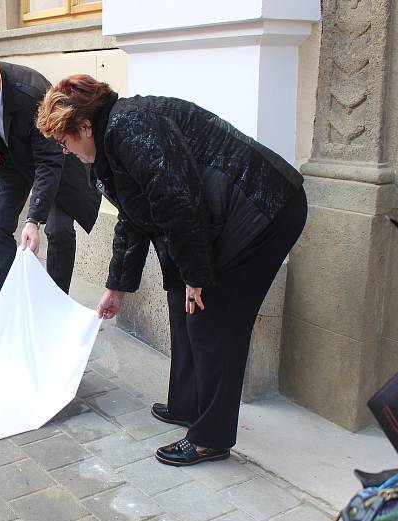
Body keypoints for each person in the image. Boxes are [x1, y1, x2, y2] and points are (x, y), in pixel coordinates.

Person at [35, 74, 308, 466]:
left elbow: (178, 203)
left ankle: (209, 438)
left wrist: (197, 276)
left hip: (263, 209)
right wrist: (117, 287)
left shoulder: (131, 127)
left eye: (65, 142)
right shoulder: (113, 139)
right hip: (219, 214)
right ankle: (187, 403)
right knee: (183, 302)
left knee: (211, 318)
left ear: (84, 125)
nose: (66, 152)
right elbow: (133, 219)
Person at [0, 43, 100, 297]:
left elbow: (49, 162)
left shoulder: (33, 93)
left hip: (55, 162)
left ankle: (54, 306)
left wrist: (32, 220)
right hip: (9, 161)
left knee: (58, 230)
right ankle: (7, 310)